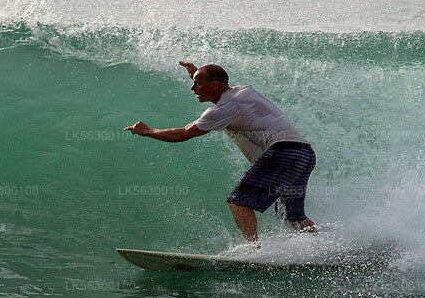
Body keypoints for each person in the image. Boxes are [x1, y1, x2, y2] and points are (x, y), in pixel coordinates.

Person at [125, 61, 317, 245]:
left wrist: (147, 132)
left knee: (238, 203)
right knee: (292, 216)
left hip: (284, 153)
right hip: (304, 154)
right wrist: (196, 75)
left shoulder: (222, 110)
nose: (193, 88)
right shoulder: (244, 91)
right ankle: (321, 247)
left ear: (215, 85)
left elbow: (183, 134)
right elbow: (219, 87)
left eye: (197, 84)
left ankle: (254, 251)